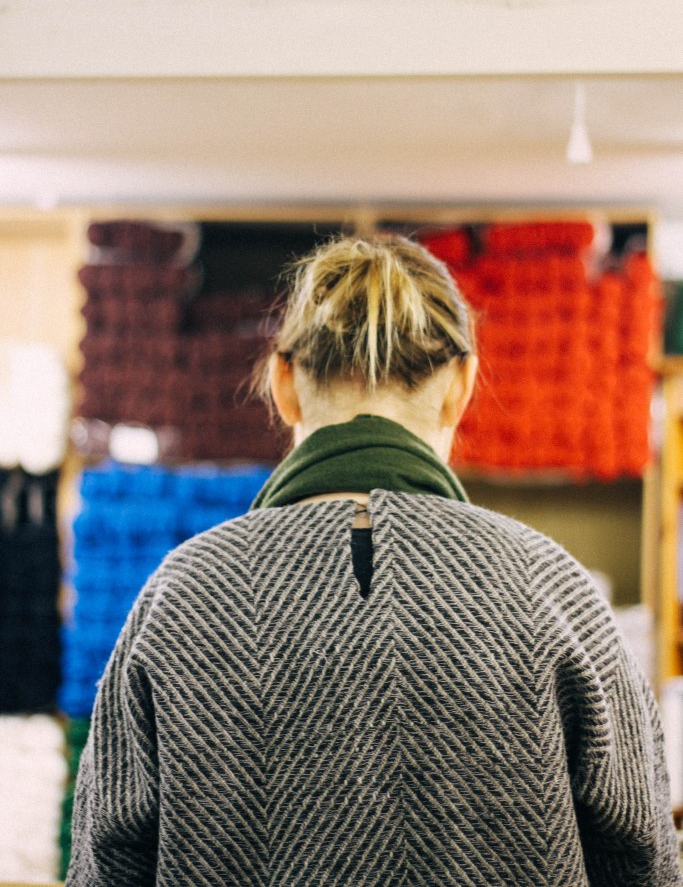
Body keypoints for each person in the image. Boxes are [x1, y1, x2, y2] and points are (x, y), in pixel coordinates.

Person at [66, 235, 681, 886]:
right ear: (461, 387)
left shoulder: (184, 600)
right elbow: (646, 863)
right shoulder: (552, 594)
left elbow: (105, 866)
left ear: (283, 385)